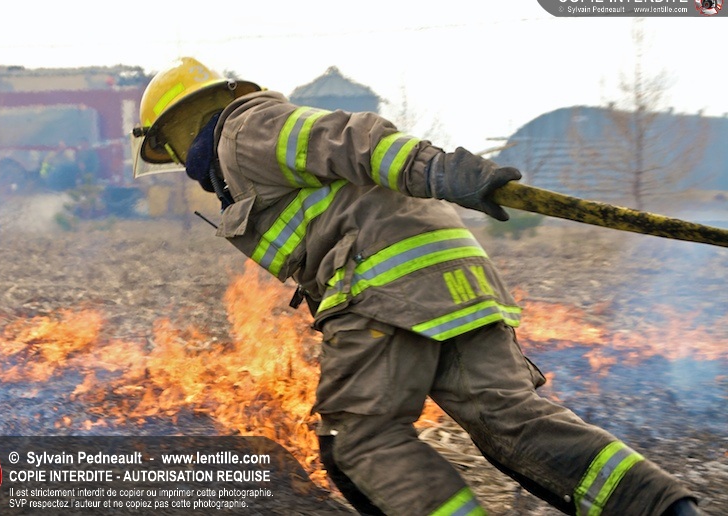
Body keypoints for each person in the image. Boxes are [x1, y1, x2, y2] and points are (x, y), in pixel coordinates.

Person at [132, 57, 702, 516]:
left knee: (361, 440)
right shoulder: (242, 164)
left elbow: (356, 139)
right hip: (458, 279)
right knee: (513, 420)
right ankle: (664, 508)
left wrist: (444, 170)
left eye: (169, 148)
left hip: (386, 286)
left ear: (180, 129)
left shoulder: (244, 131)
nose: (179, 163)